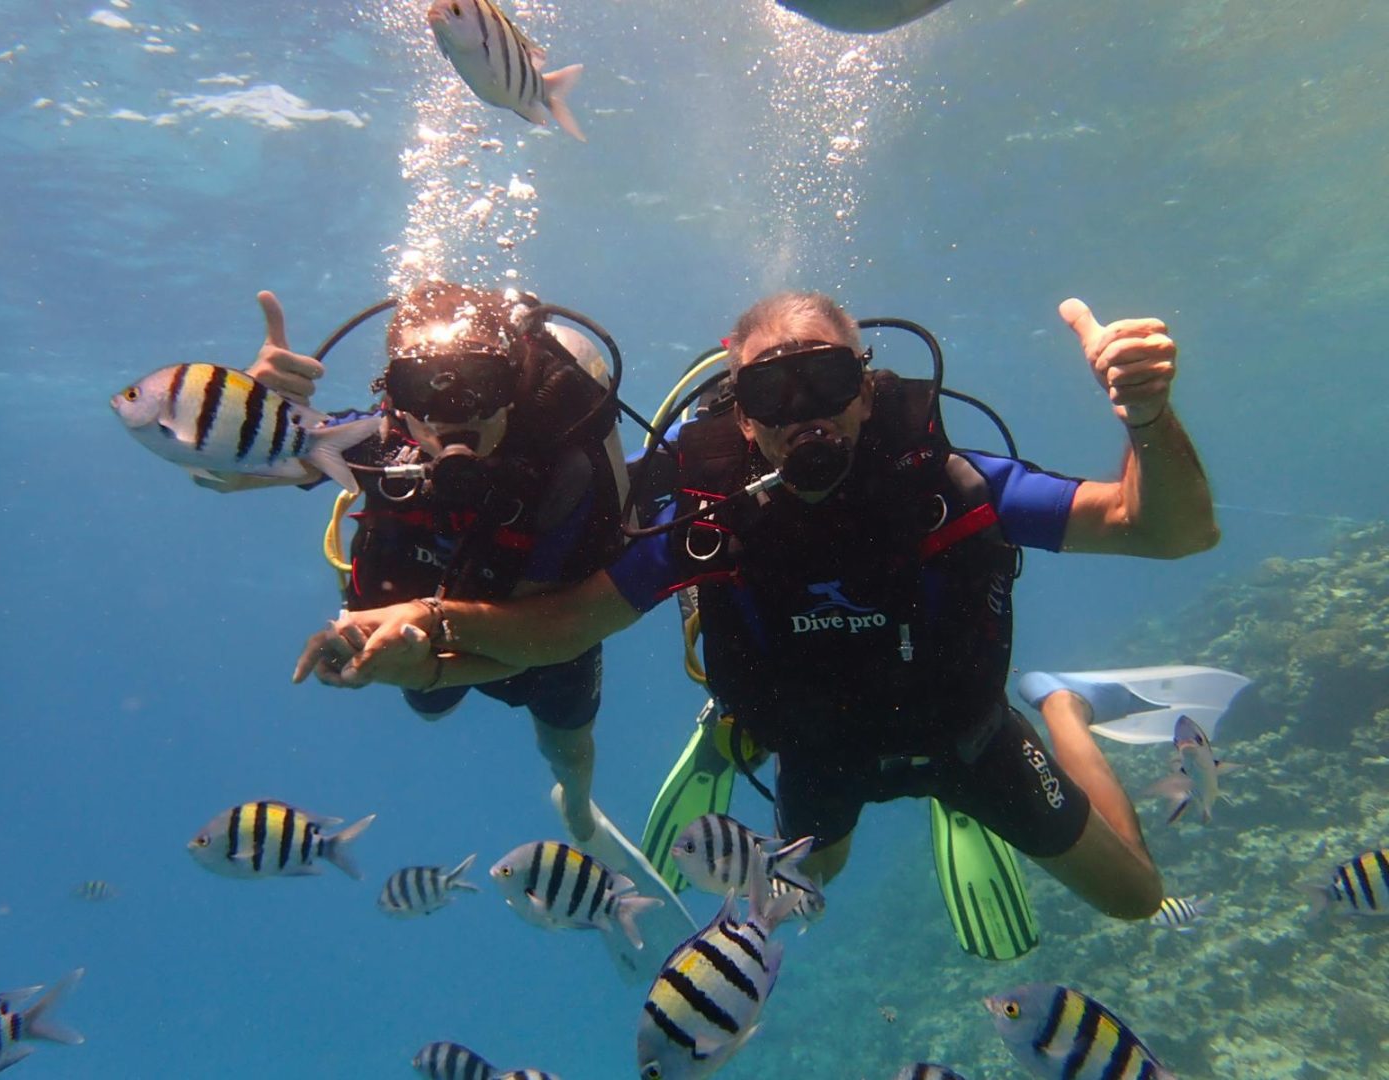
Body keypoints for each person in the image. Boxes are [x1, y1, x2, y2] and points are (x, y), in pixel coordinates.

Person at [308, 290, 1219, 920]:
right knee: (811, 881)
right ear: (740, 416)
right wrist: (425, 629)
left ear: (867, 388)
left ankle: (1063, 705)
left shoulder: (951, 485)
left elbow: (1163, 529)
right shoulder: (707, 524)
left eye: (822, 383)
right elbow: (563, 629)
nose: (801, 416)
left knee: (1138, 901)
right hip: (820, 751)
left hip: (974, 734)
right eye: (768, 394)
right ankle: (741, 738)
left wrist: (1146, 416)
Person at [220, 281, 627, 844]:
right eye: (423, 387)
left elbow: (542, 641)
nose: (450, 415)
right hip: (418, 626)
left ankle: (578, 808)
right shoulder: (377, 442)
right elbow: (221, 476)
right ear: (393, 397)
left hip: (542, 625)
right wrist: (245, 420)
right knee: (428, 708)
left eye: (478, 383)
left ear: (512, 384)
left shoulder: (564, 469)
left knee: (567, 744)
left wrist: (436, 651)